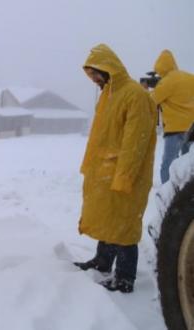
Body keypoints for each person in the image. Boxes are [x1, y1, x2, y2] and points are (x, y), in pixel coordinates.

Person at [74, 44, 157, 293]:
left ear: (110, 68)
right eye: (92, 74)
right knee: (110, 219)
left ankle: (124, 277)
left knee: (125, 224)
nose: (95, 79)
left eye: (97, 73)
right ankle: (102, 261)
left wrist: (124, 175)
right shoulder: (109, 94)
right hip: (105, 170)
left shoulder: (135, 95)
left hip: (126, 171)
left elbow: (136, 141)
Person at [148, 50, 194, 183]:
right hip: (192, 129)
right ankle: (187, 193)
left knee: (168, 165)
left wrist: (147, 89)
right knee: (188, 165)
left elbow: (151, 102)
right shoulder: (190, 77)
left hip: (175, 130)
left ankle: (167, 195)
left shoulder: (167, 82)